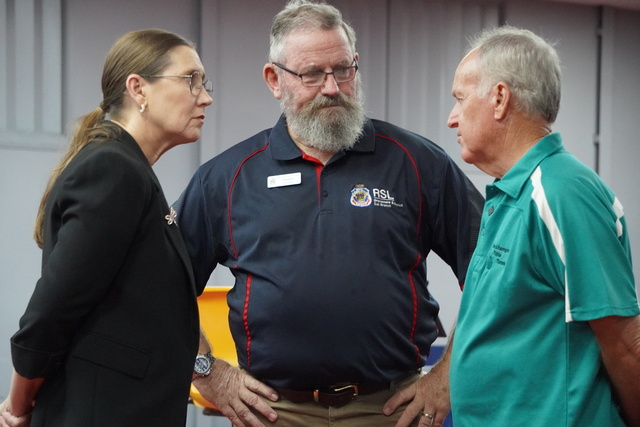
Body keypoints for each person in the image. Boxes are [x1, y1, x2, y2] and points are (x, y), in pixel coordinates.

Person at [174, 1, 483, 426]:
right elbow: (162, 286)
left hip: (391, 409)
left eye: (343, 69)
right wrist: (206, 372)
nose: (332, 87)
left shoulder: (418, 164)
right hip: (274, 411)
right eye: (312, 74)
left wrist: (449, 375)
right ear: (274, 79)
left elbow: (493, 271)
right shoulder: (227, 177)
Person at [0, 29, 213, 426]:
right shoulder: (114, 169)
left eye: (204, 83)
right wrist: (18, 405)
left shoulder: (128, 168)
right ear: (138, 89)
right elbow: (52, 309)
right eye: (191, 80)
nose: (205, 97)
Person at [447, 26, 640, 426]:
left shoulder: (561, 191)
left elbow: (624, 343)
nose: (452, 119)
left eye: (460, 100)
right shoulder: (508, 193)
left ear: (499, 99)